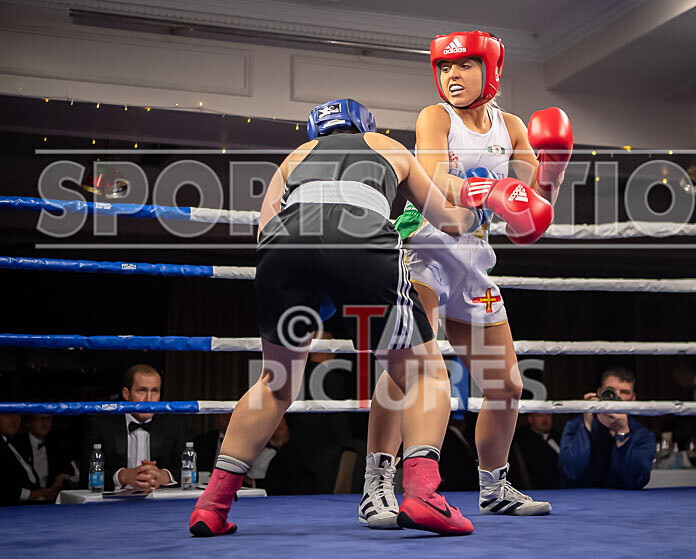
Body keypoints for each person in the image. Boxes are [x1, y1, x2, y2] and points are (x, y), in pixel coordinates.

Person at [189, 98, 492, 537]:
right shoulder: (387, 146)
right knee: (425, 375)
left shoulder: (295, 156)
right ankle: (423, 494)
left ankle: (211, 506)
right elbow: (448, 221)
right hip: (360, 240)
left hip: (283, 249)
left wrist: (317, 289)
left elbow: (263, 231)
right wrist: (481, 207)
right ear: (364, 126)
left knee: (275, 383)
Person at [361, 30, 573, 527]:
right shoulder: (435, 117)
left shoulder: (512, 127)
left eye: (463, 66)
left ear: (491, 69)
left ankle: (494, 487)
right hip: (425, 249)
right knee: (406, 372)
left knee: (508, 385)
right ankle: (377, 485)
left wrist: (553, 170)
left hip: (474, 259)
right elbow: (433, 179)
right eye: (444, 67)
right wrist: (492, 191)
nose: (452, 76)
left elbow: (530, 220)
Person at [82, 364, 184, 492]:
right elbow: (85, 475)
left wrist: (163, 476)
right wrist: (123, 476)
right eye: (142, 391)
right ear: (126, 394)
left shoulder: (173, 424)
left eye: (154, 391)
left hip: (159, 501)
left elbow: (190, 470)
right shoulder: (100, 424)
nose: (149, 399)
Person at [558, 367, 656, 489]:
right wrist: (587, 423)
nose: (617, 397)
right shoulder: (575, 426)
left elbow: (636, 481)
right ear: (599, 393)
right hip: (579, 498)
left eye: (624, 392)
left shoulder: (642, 435)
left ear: (633, 399)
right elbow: (570, 472)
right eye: (611, 391)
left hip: (623, 499)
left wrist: (622, 432)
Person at [0, 413, 57, 505]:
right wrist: (30, 495)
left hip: (36, 503)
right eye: (8, 414)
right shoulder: (19, 442)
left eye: (18, 415)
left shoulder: (13, 443)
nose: (14, 420)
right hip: (13, 508)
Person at [14, 414, 77, 494]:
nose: (44, 422)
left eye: (48, 418)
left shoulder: (56, 444)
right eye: (39, 418)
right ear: (28, 423)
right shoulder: (17, 444)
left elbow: (70, 469)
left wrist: (61, 477)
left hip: (51, 497)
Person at [509, 413, 560, 490]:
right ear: (530, 419)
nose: (545, 419)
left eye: (548, 415)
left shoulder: (560, 437)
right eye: (539, 415)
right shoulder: (521, 440)